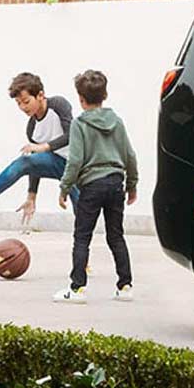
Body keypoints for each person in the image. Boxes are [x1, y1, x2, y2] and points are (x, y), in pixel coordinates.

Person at [53, 70, 137, 305]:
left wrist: (64, 187)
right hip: (115, 183)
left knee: (82, 237)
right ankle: (125, 285)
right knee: (116, 236)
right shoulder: (117, 122)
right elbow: (130, 155)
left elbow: (75, 160)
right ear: (105, 94)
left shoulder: (79, 124)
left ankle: (77, 289)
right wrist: (132, 185)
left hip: (91, 186)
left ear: (80, 98)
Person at [0, 72, 74, 225]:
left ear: (40, 95)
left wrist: (43, 147)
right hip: (56, 164)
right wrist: (31, 197)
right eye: (18, 103)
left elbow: (71, 134)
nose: (23, 107)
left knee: (83, 215)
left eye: (26, 101)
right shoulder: (32, 128)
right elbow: (33, 164)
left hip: (77, 166)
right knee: (24, 161)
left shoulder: (58, 104)